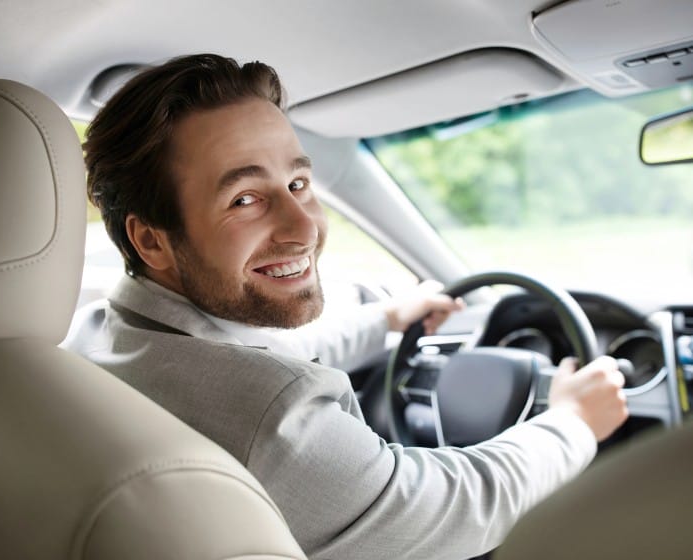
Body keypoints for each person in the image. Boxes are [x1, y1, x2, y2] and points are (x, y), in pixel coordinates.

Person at [64, 54, 628, 559]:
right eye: (244, 199)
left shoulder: (100, 338)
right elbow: (449, 509)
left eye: (299, 182)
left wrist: (385, 319)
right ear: (152, 240)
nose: (305, 225)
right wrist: (573, 424)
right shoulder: (271, 417)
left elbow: (255, 357)